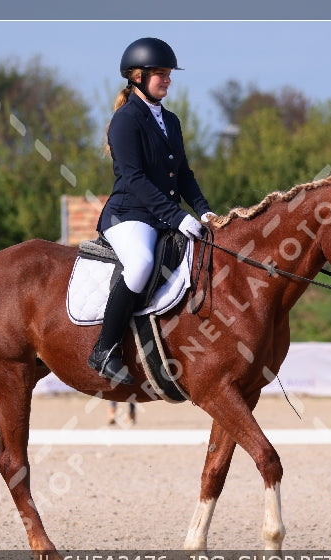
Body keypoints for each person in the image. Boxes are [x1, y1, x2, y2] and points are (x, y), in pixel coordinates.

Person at [88, 37, 216, 385]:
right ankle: (104, 348)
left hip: (162, 216)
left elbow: (184, 174)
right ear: (137, 76)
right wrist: (177, 217)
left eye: (168, 74)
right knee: (142, 262)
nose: (167, 80)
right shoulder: (125, 120)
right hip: (129, 214)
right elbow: (135, 179)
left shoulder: (171, 121)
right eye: (159, 73)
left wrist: (203, 212)